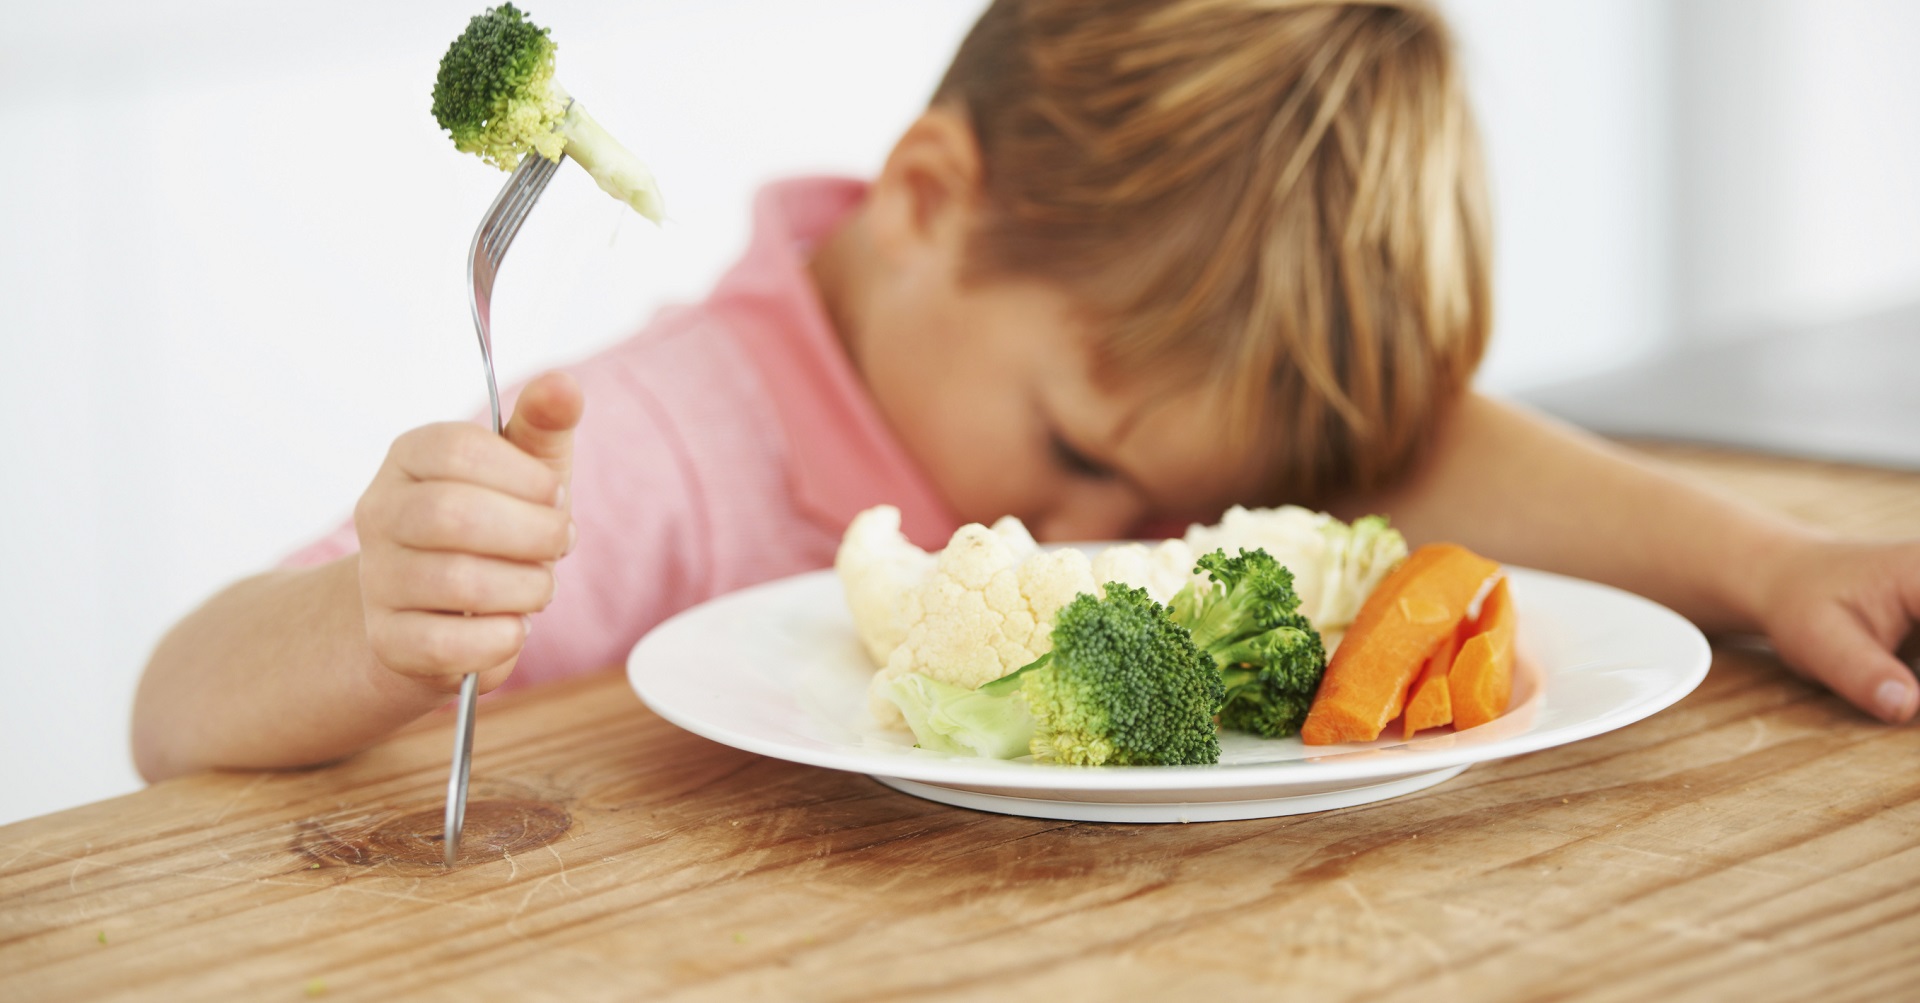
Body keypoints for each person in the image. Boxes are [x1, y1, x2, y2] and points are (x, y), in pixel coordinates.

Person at [131, 0, 1919, 781]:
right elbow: (174, 713)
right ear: (928, 203)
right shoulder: (661, 443)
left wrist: (1768, 569)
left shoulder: (1119, 384)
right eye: (1079, 454)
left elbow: (1426, 455)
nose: (1103, 531)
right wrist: (378, 625)